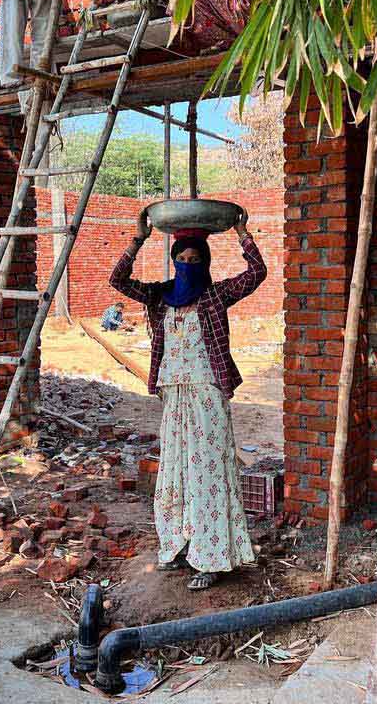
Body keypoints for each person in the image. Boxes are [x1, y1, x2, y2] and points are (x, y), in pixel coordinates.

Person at [110, 208, 267, 590]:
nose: (187, 265)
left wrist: (243, 235)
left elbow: (256, 274)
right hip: (174, 395)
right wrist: (138, 239)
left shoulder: (214, 295)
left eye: (194, 260)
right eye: (181, 259)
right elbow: (118, 280)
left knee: (209, 473)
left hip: (207, 393)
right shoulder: (161, 296)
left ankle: (211, 558)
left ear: (205, 261)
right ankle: (178, 546)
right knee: (176, 470)